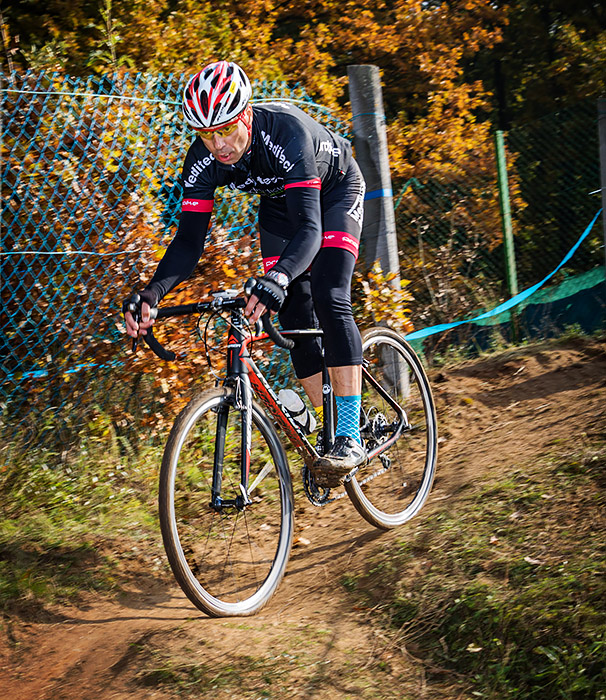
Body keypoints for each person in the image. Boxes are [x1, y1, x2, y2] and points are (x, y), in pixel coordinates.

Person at [123, 60, 366, 487]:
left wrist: (279, 277)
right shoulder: (202, 160)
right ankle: (326, 438)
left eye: (226, 129)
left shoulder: (286, 134)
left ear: (247, 115)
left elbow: (311, 229)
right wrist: (153, 293)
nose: (218, 145)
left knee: (329, 295)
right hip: (279, 206)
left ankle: (348, 434)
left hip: (334, 192)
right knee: (293, 315)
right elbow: (188, 242)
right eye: (206, 134)